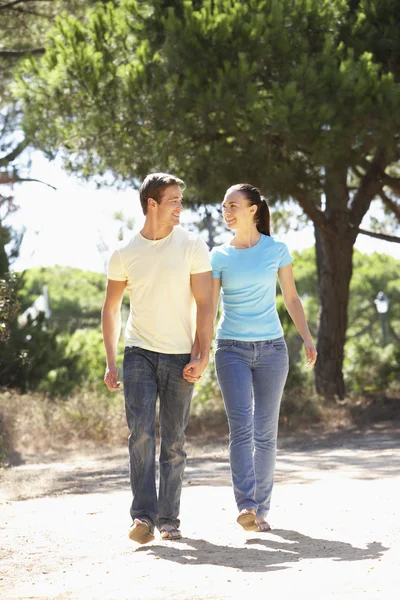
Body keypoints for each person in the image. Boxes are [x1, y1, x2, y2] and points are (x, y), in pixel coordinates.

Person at [102, 172, 213, 544]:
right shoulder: (125, 253)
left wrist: (202, 352)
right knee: (141, 435)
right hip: (139, 354)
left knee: (175, 441)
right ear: (152, 204)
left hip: (181, 354)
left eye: (181, 200)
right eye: (173, 200)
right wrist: (111, 361)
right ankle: (143, 518)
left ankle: (169, 519)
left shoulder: (192, 245)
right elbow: (111, 309)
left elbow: (205, 303)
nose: (181, 206)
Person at [211, 183, 317, 533]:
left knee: (265, 433)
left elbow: (292, 298)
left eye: (233, 205)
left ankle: (262, 511)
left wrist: (307, 338)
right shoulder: (218, 255)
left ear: (253, 209)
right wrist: (199, 347)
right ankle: (246, 505)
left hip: (272, 350)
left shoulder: (277, 249)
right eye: (224, 206)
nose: (227, 211)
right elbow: (209, 308)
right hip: (231, 350)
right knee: (241, 429)